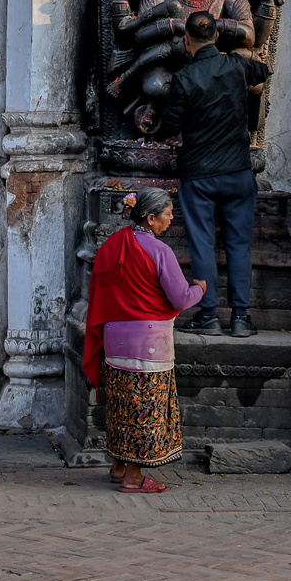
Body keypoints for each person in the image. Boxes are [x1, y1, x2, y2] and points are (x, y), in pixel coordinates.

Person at [83, 188, 207, 493]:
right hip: (148, 343)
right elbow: (179, 296)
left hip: (114, 340)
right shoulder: (160, 251)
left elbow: (99, 290)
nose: (171, 219)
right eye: (167, 214)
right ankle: (135, 477)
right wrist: (200, 290)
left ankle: (118, 465)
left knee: (121, 404)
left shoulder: (111, 245)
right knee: (146, 408)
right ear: (150, 218)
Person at [163, 10, 271, 338]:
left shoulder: (184, 78)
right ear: (217, 37)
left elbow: (170, 126)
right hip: (238, 171)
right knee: (239, 246)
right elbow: (262, 71)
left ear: (187, 41)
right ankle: (240, 318)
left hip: (199, 174)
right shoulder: (237, 66)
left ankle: (208, 316)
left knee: (203, 244)